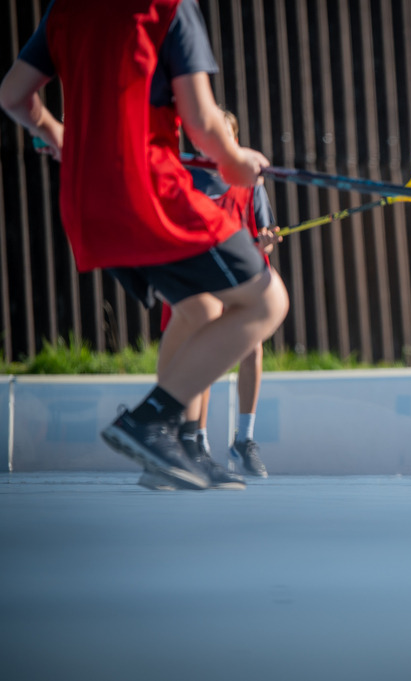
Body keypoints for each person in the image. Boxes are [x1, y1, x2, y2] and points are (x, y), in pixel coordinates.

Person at [0, 0, 290, 491]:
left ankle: (168, 455)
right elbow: (201, 121)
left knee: (198, 308)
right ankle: (150, 423)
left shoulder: (67, 11)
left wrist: (60, 137)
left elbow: (13, 95)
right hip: (148, 191)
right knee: (268, 300)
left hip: (86, 199)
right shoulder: (169, 8)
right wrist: (238, 164)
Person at [151, 109, 279, 488]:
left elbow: (262, 227)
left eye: (218, 132)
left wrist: (266, 241)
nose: (205, 139)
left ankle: (240, 439)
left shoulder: (248, 179)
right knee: (201, 343)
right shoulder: (184, 175)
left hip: (238, 274)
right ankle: (191, 441)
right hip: (199, 273)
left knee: (250, 347)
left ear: (233, 136)